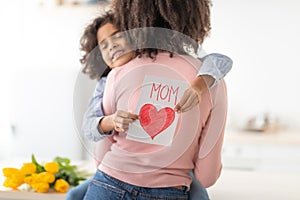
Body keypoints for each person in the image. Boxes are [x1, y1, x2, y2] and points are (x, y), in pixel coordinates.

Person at [67, 12, 231, 200]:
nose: (111, 45)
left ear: (134, 34)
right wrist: (110, 122)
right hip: (165, 185)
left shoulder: (118, 76)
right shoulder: (108, 80)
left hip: (112, 179)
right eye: (103, 45)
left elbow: (220, 60)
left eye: (117, 36)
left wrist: (199, 85)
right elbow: (89, 127)